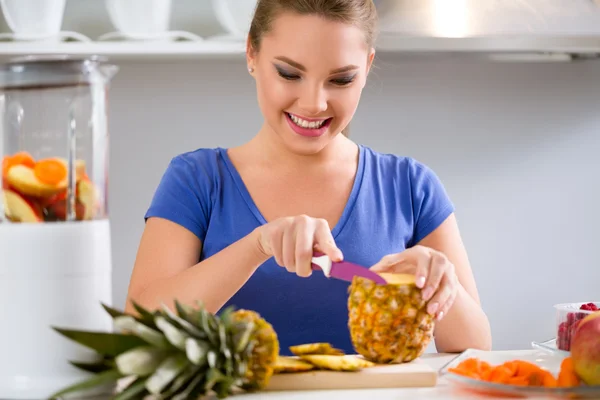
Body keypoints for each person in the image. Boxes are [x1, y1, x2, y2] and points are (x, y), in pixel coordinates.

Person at [125, 0, 492, 355]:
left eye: (341, 79)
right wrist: (257, 246)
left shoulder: (410, 186)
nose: (314, 103)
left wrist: (446, 285)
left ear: (366, 67)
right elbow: (138, 332)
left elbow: (476, 347)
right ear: (251, 54)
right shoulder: (196, 180)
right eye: (289, 73)